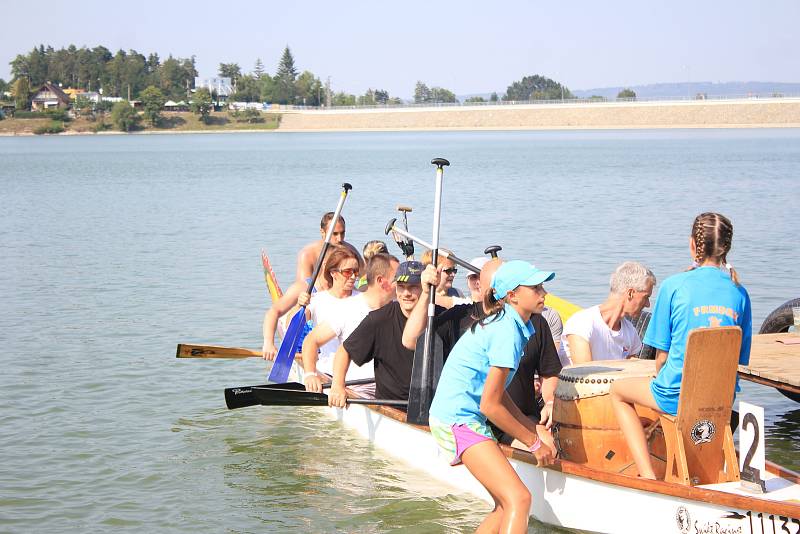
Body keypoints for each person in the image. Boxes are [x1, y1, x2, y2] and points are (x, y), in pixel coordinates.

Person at [609, 212, 752, 479]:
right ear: (726, 248)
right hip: (721, 397)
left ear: (692, 246)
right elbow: (740, 359)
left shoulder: (674, 286)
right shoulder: (740, 292)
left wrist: (659, 375)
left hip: (676, 394)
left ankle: (647, 474)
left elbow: (661, 358)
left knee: (618, 391)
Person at [428, 261, 556, 533]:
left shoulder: (513, 324)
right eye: (535, 287)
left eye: (542, 286)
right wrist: (533, 443)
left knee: (504, 505)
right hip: (457, 420)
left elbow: (497, 394)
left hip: (461, 417)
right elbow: (490, 404)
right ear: (512, 296)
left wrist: (531, 428)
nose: (542, 292)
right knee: (519, 500)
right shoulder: (506, 331)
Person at [261, 212, 363, 359]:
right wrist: (268, 343)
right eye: (346, 271)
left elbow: (366, 279)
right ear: (330, 270)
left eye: (354, 271)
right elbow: (273, 312)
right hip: (302, 324)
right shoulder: (306, 283)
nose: (339, 239)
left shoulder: (350, 263)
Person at [328, 261, 425, 408]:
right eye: (401, 287)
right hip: (392, 407)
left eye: (413, 287)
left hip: (433, 408)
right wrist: (337, 386)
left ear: (425, 289)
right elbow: (344, 351)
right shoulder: (378, 320)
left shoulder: (442, 316)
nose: (406, 293)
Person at [301, 253, 400, 393]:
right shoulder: (348, 308)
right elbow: (311, 340)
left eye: (356, 272)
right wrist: (310, 374)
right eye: (398, 278)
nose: (404, 283)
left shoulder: (400, 307)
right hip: (356, 387)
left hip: (391, 387)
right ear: (381, 281)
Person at [561, 261, 655, 364]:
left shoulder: (630, 331)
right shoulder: (582, 323)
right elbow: (584, 374)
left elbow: (632, 367)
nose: (648, 304)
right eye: (646, 297)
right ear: (630, 293)